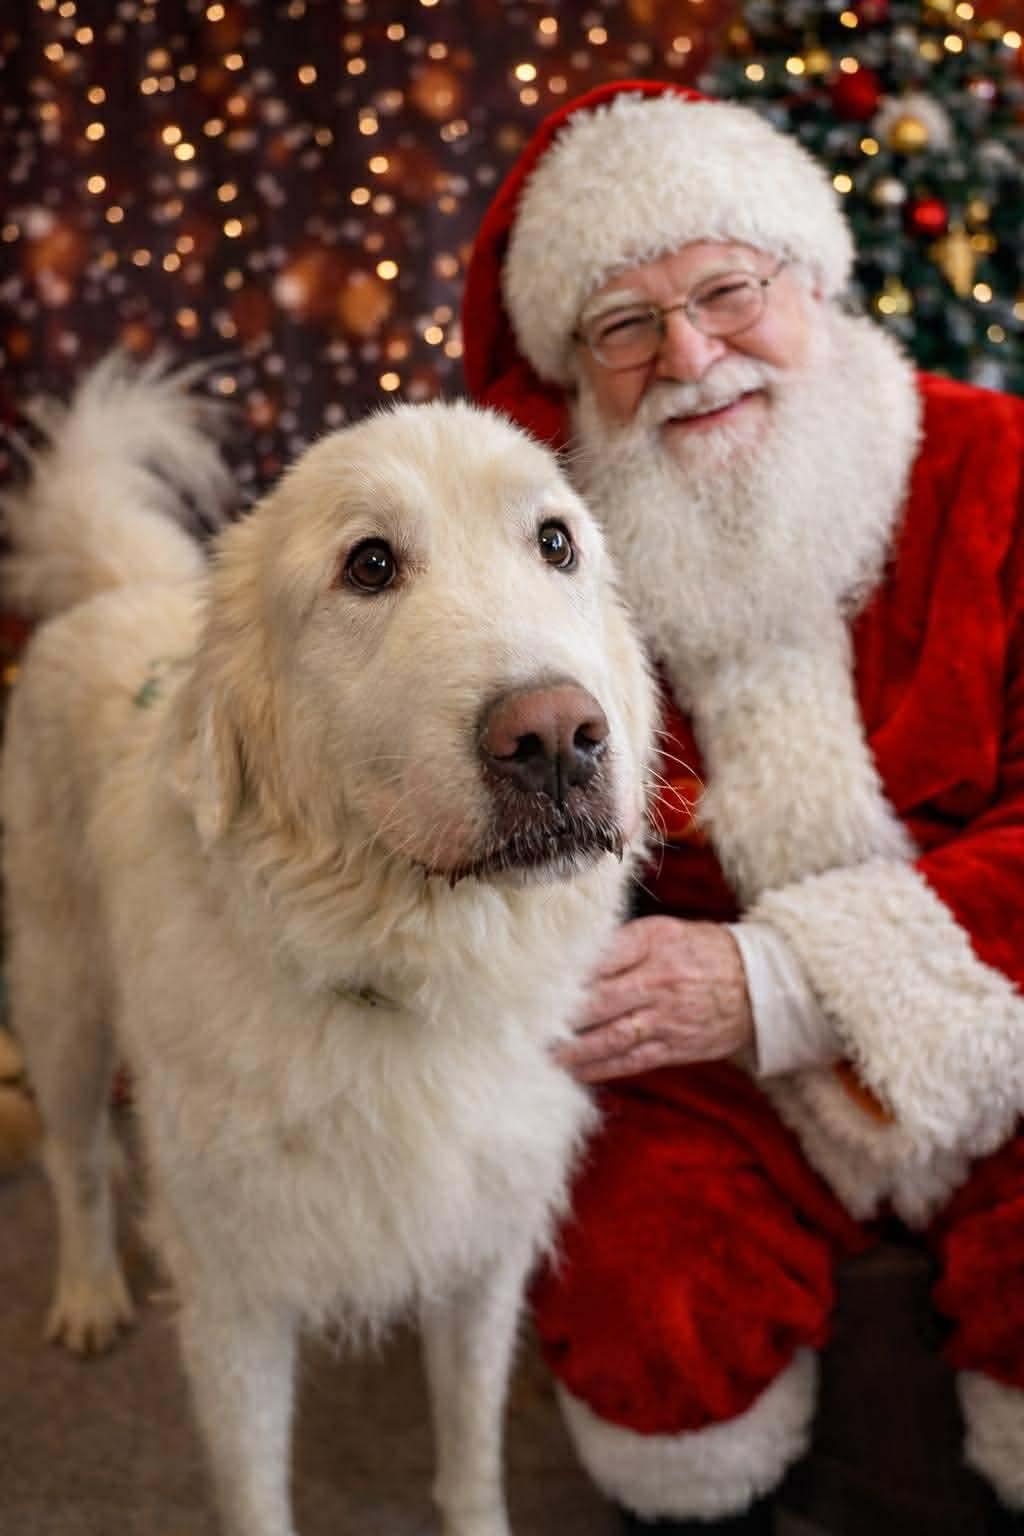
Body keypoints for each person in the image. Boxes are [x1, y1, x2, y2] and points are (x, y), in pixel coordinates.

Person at [461, 79, 1024, 1533]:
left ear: (813, 283)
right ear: (576, 374)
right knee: (642, 1283)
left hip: (1006, 1007)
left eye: (726, 291)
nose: (693, 356)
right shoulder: (549, 562)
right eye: (625, 327)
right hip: (709, 1082)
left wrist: (779, 978)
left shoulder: (995, 471)